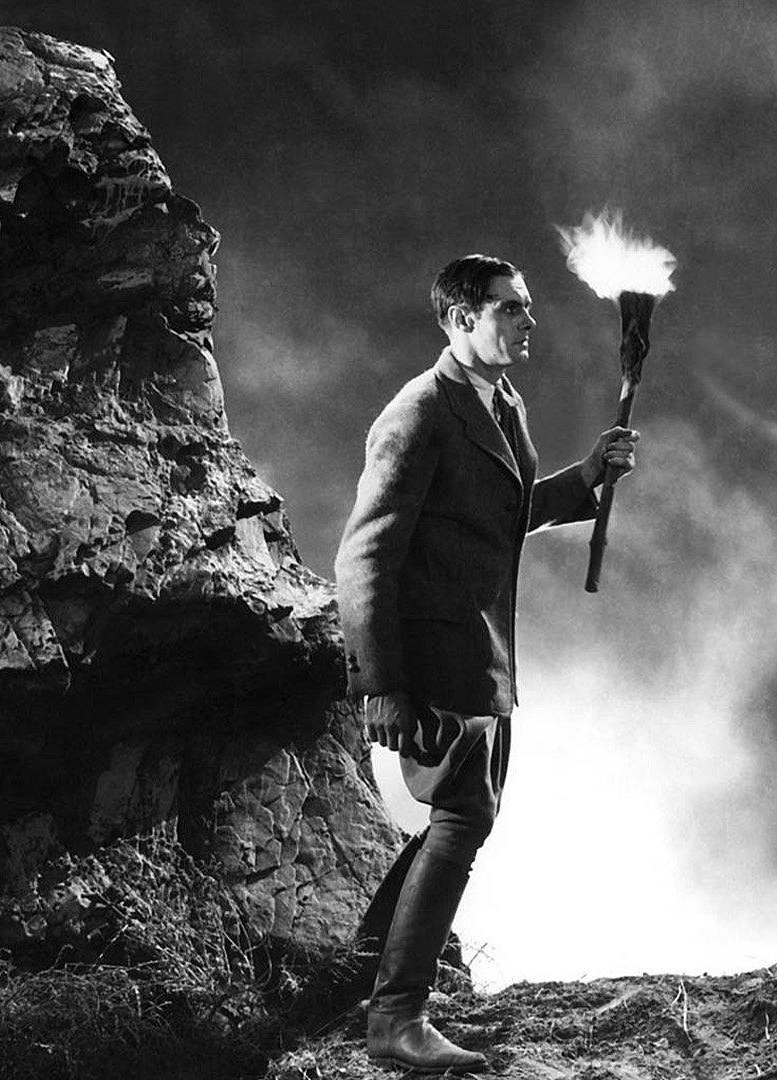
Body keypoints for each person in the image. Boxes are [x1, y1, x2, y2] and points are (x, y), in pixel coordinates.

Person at [336, 254, 638, 1072]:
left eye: (527, 307)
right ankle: (395, 1019)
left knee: (463, 816)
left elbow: (503, 514)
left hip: (485, 654)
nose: (529, 321)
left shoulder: (502, 403)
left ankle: (361, 976)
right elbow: (364, 556)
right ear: (461, 318)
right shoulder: (419, 412)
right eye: (512, 308)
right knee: (463, 819)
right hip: (435, 658)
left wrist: (587, 477)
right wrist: (382, 685)